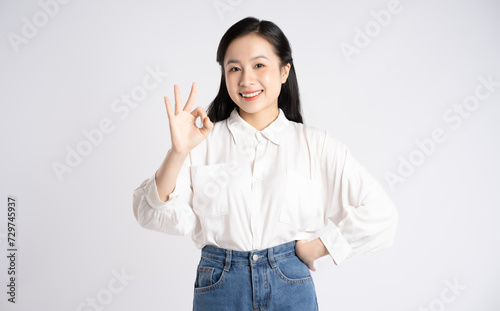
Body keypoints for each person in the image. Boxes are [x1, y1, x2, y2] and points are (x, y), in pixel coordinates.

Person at [132, 16, 398, 311]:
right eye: (234, 68)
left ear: (284, 71)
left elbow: (380, 214)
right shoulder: (201, 142)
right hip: (220, 287)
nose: (246, 80)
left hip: (290, 285)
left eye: (259, 65)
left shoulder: (315, 145)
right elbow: (149, 213)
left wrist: (319, 247)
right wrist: (178, 152)